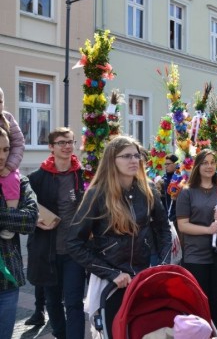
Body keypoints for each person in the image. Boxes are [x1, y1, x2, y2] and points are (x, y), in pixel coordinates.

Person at [67, 135, 171, 338]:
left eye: (136, 155)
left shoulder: (148, 190)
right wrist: (112, 274)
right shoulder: (97, 194)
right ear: (112, 160)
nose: (133, 160)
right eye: (126, 156)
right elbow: (74, 243)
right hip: (111, 283)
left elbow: (163, 229)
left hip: (142, 279)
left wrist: (162, 267)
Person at [27, 127, 86, 339]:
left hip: (75, 252)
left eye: (70, 142)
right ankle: (61, 335)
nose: (67, 146)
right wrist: (35, 220)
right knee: (52, 302)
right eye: (61, 142)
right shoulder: (36, 178)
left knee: (74, 302)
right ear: (51, 147)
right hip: (47, 251)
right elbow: (26, 211)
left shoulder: (83, 175)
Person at [176, 149, 217, 328]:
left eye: (212, 162)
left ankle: (213, 332)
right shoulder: (187, 192)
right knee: (197, 302)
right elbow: (183, 225)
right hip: (195, 257)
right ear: (197, 165)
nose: (209, 166)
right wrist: (208, 229)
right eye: (205, 162)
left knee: (216, 301)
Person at [0, 127, 38, 339]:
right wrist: (9, 215)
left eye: (6, 149)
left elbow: (30, 220)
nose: (2, 156)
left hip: (7, 280)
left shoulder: (18, 180)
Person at [0, 88, 25, 240]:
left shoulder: (7, 118)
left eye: (0, 102)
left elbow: (19, 143)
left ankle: (11, 220)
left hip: (7, 167)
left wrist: (10, 166)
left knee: (12, 181)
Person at [162, 153, 179, 220]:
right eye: (165, 164)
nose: (166, 166)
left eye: (168, 164)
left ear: (175, 164)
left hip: (177, 214)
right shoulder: (164, 178)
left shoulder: (180, 178)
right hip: (166, 214)